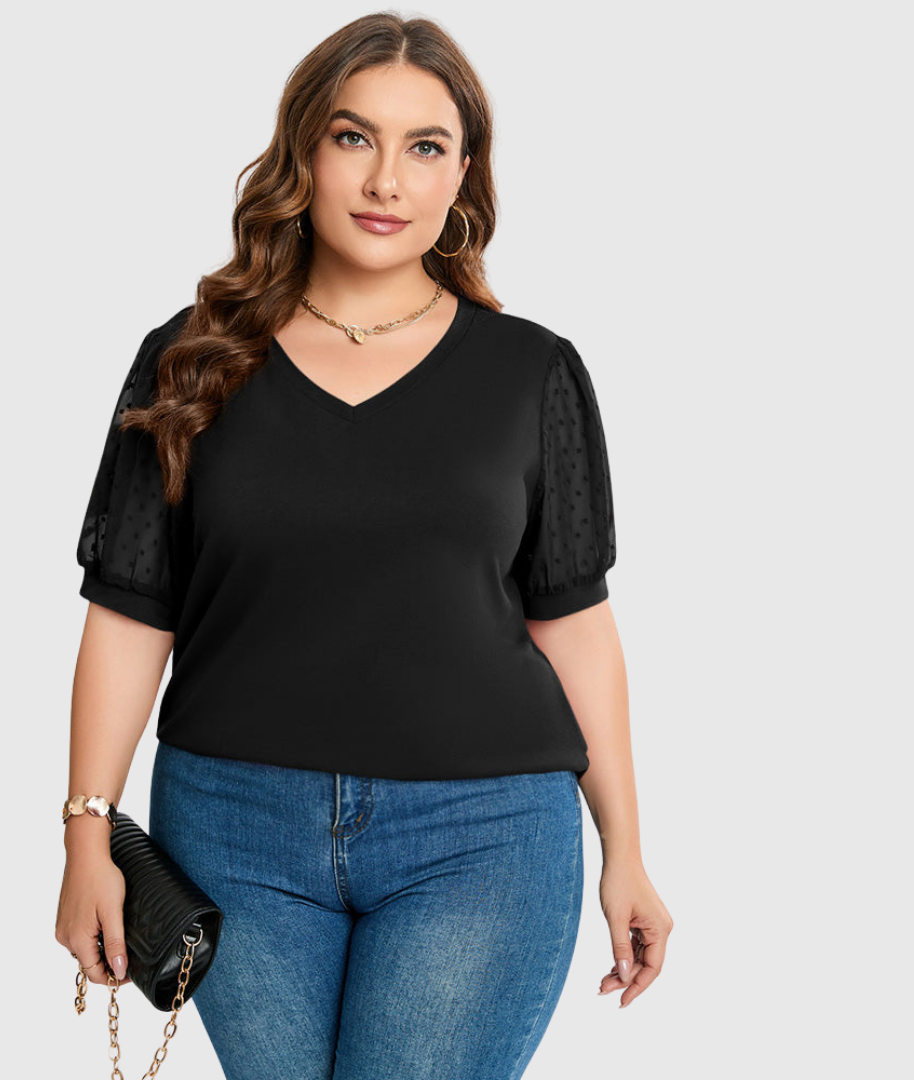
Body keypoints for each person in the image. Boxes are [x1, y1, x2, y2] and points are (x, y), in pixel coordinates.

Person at [55, 12, 673, 1079]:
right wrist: (85, 833)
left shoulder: (532, 374)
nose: (387, 179)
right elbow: (128, 616)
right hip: (233, 831)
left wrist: (627, 849)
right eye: (354, 137)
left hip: (484, 836)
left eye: (425, 146)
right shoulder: (190, 361)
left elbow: (574, 624)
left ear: (463, 173)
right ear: (302, 152)